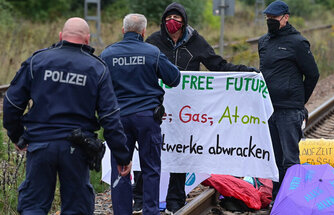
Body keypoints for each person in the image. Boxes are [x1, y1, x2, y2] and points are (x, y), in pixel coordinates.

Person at [137, 2, 258, 214]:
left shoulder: (196, 42)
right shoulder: (154, 41)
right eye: (168, 20)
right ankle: (140, 197)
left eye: (176, 20)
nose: (171, 24)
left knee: (180, 152)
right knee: (148, 151)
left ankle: (175, 199)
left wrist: (245, 72)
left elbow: (218, 65)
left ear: (184, 23)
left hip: (186, 111)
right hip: (157, 107)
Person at [3, 17, 131, 215]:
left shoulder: (37, 61)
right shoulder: (97, 68)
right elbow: (110, 117)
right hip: (77, 148)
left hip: (40, 144)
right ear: (87, 39)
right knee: (77, 208)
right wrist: (122, 155)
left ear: (61, 36)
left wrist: (18, 135)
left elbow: (12, 103)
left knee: (33, 207)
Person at [100, 13, 181, 215]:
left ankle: (121, 211)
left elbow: (98, 86)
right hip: (147, 118)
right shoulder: (152, 52)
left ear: (123, 30)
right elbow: (174, 78)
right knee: (151, 168)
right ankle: (150, 211)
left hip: (117, 119)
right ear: (144, 32)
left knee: (121, 167)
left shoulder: (108, 54)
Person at [258, 0, 320, 202]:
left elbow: (312, 74)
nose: (270, 21)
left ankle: (293, 199)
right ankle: (278, 198)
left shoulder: (298, 42)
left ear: (285, 17)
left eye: (274, 18)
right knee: (274, 159)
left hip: (289, 110)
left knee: (290, 159)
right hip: (269, 109)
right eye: (268, 18)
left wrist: (299, 100)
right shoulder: (264, 42)